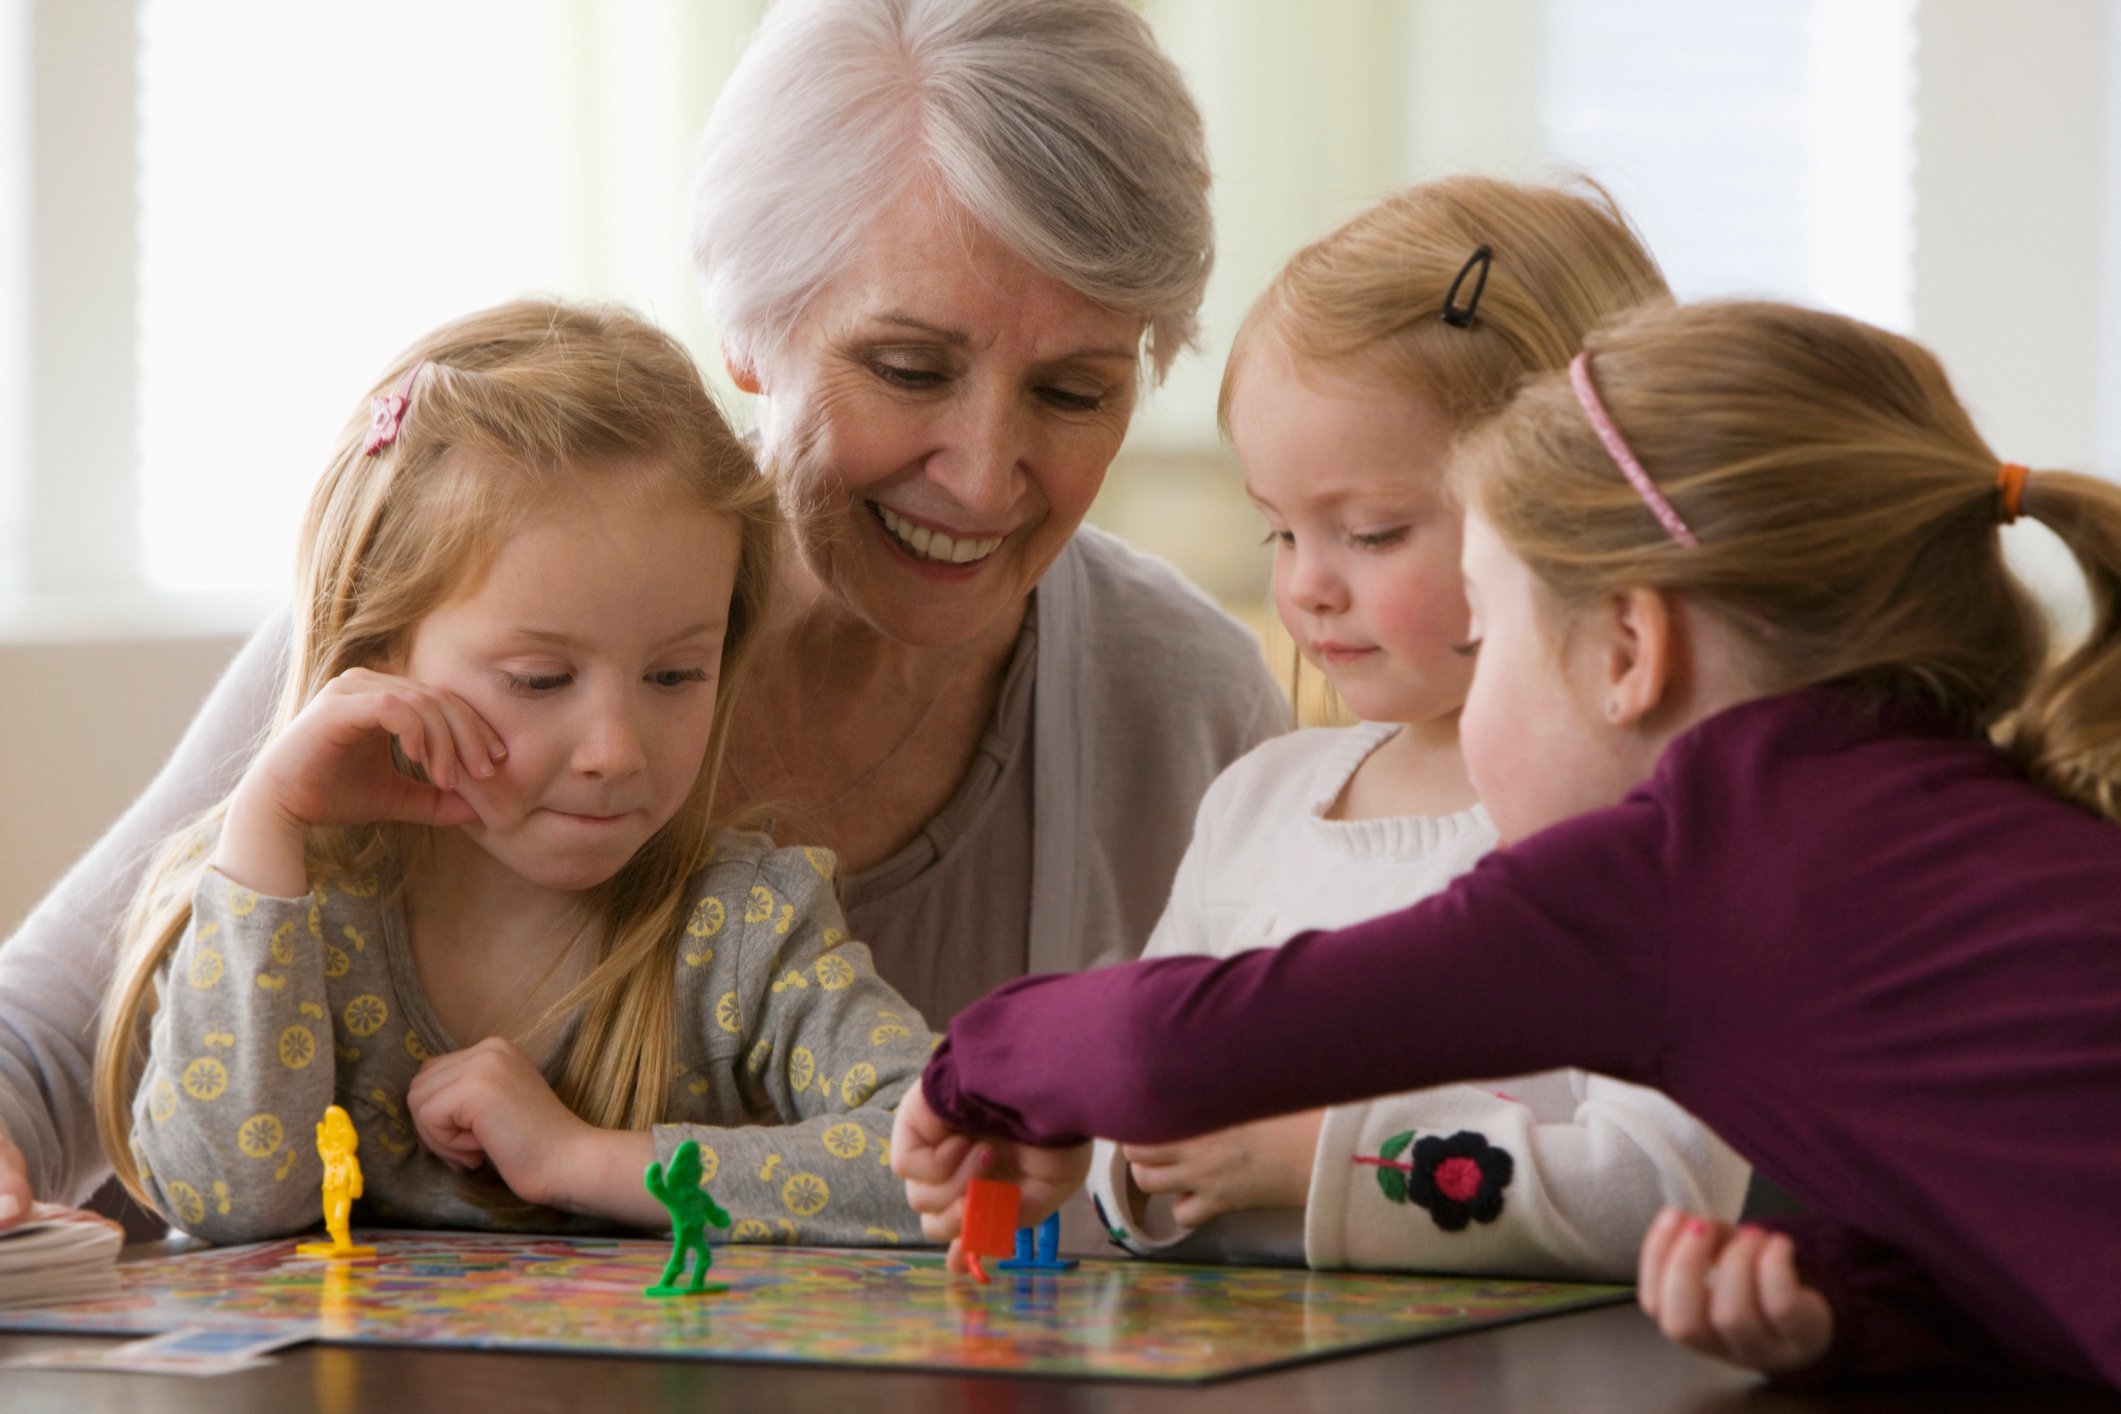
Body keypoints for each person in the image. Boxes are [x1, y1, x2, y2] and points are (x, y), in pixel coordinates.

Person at [0, 0, 1282, 1228]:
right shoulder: (466, 618)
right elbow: (48, 1044)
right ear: (750, 327)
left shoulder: (1181, 697)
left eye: (1072, 393)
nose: (985, 472)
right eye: (907, 368)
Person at [897, 299, 2121, 1388]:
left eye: (1487, 627)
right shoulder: (1948, 827)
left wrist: (978, 1060)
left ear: (1630, 651)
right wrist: (1857, 1315)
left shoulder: (1684, 867)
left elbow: (1183, 1048)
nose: (1473, 690)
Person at [99, 299, 937, 1245]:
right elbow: (226, 1205)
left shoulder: (741, 928)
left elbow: (941, 1158)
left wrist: (583, 1159)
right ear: (377, 652)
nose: (616, 750)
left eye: (674, 674)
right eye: (540, 679)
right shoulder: (292, 910)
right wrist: (268, 828)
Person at [1086, 178, 1747, 1278]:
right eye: (1277, 533)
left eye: (1371, 532)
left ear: (1574, 513)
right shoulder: (1256, 804)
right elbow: (1134, 1084)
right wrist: (1115, 1161)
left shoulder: (1649, 842)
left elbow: (1661, 1190)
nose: (1307, 588)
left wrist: (1320, 1161)